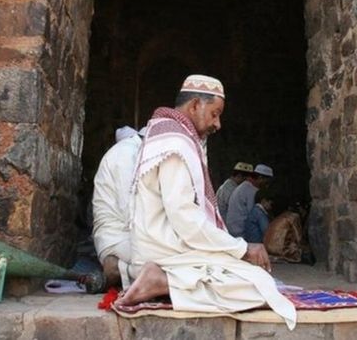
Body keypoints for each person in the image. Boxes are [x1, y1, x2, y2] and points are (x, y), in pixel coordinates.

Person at [114, 74, 296, 329]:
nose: (218, 123)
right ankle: (162, 281)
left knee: (252, 276)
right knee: (258, 285)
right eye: (214, 113)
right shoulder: (174, 142)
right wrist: (241, 248)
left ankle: (162, 280)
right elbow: (185, 219)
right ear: (195, 105)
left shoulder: (168, 133)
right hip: (166, 251)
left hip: (167, 247)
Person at [91, 126, 144, 289]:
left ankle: (125, 271)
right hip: (116, 236)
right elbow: (131, 210)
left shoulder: (134, 152)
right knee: (175, 261)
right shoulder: (125, 154)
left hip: (127, 232)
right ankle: (118, 270)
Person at [225, 164, 274, 238]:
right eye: (266, 182)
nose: (267, 186)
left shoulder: (246, 186)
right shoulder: (250, 190)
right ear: (260, 178)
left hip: (235, 228)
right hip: (240, 231)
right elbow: (255, 213)